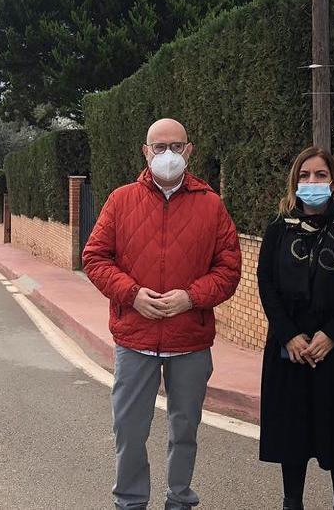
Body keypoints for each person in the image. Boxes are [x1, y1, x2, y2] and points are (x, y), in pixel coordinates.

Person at [83, 118, 242, 510]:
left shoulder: (211, 205)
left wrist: (191, 297)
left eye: (175, 146)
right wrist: (132, 294)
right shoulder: (120, 200)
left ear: (189, 151)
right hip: (134, 339)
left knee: (185, 428)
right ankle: (130, 502)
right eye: (159, 147)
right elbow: (94, 257)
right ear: (145, 151)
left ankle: (179, 498)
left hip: (190, 340)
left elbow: (229, 270)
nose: (167, 154)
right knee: (129, 429)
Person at [257, 147, 334, 510]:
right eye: (304, 175)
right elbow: (266, 283)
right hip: (290, 346)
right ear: (294, 182)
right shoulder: (278, 229)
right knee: (293, 433)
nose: (312, 182)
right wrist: (289, 334)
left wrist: (332, 335)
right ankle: (291, 502)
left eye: (320, 175)